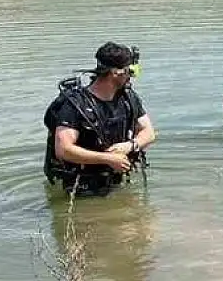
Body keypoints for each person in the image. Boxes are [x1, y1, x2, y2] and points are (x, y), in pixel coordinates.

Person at [43, 41, 156, 197]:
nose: (132, 76)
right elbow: (63, 150)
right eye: (131, 71)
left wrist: (129, 146)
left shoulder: (128, 98)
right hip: (80, 189)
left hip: (117, 182)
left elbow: (149, 133)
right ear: (115, 72)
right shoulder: (75, 106)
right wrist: (107, 159)